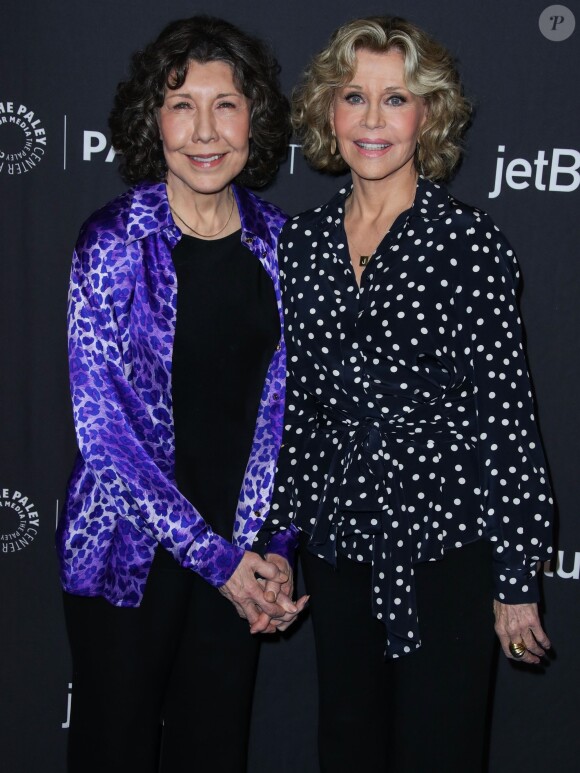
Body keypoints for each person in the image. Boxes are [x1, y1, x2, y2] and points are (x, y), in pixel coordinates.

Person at [267, 16, 554, 772]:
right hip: (340, 544)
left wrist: (517, 579)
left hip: (445, 544)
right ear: (328, 109)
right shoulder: (300, 246)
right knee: (349, 746)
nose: (371, 120)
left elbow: (506, 418)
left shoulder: (469, 243)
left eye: (395, 99)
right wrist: (278, 539)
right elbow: (300, 412)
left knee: (439, 749)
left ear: (428, 113)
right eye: (354, 96)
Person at [56, 15, 306, 773]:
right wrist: (218, 560)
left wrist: (278, 550)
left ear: (253, 118)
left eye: (225, 104)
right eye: (181, 104)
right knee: (114, 748)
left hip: (239, 554)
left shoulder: (281, 246)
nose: (205, 129)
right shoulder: (113, 242)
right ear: (152, 120)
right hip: (128, 556)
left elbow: (296, 417)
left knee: (214, 749)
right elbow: (104, 432)